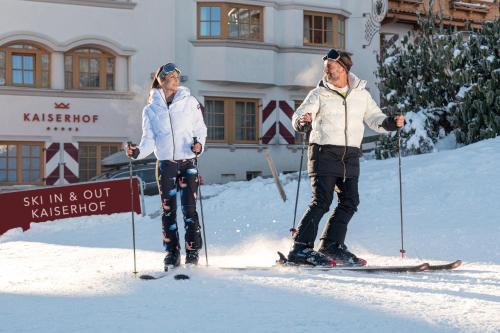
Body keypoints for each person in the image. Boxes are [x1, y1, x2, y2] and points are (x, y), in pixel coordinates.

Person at [288, 49, 405, 266]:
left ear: (343, 68)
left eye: (330, 64)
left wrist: (389, 123)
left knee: (350, 201)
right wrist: (302, 122)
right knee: (322, 201)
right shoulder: (319, 93)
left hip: (349, 155)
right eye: (325, 64)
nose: (326, 67)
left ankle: (331, 245)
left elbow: (374, 118)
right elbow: (300, 115)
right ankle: (300, 249)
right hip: (324, 152)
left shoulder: (361, 94)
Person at [126, 63, 207, 270]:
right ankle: (171, 254)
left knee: (190, 209)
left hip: (187, 162)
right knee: (168, 210)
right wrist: (137, 152)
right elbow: (148, 140)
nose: (176, 81)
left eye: (177, 77)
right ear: (161, 80)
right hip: (165, 165)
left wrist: (199, 145)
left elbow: (200, 128)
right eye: (171, 77)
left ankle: (192, 252)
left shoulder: (190, 102)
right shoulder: (150, 109)